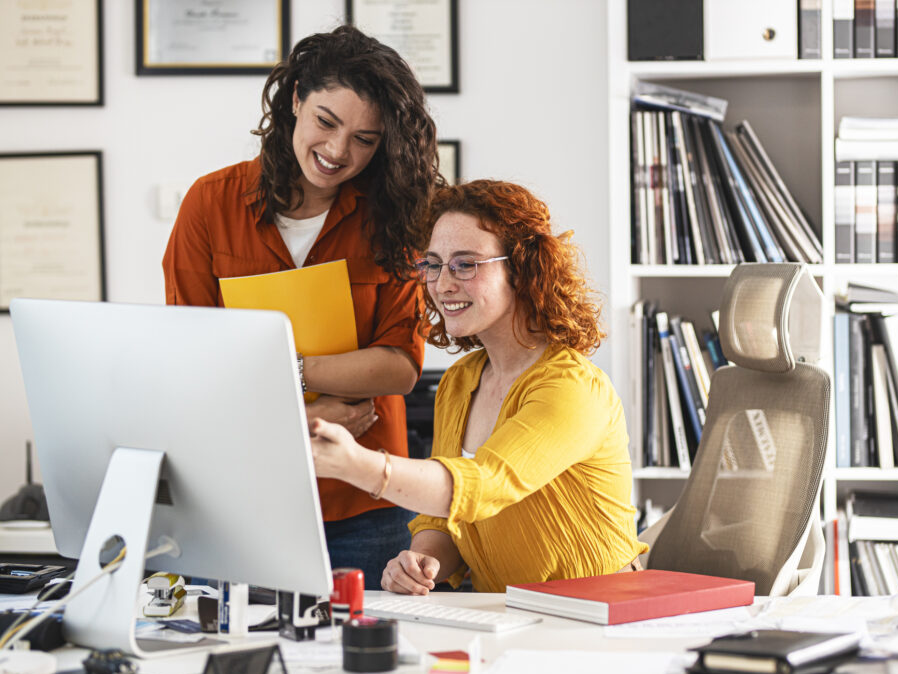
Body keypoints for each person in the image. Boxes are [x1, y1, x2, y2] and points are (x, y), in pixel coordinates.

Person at [162, 25, 439, 589]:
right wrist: (307, 420)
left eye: (365, 139)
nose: (338, 152)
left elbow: (399, 366)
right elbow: (191, 364)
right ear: (295, 102)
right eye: (326, 122)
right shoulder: (210, 204)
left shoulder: (393, 218)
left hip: (366, 503)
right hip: (243, 501)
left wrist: (289, 372)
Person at [309, 179, 647, 593]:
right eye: (433, 264)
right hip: (505, 615)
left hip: (597, 615)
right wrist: (424, 561)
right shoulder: (459, 381)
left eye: (465, 264)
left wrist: (356, 464)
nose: (442, 283)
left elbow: (486, 484)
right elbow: (446, 520)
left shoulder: (572, 388)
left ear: (521, 270)